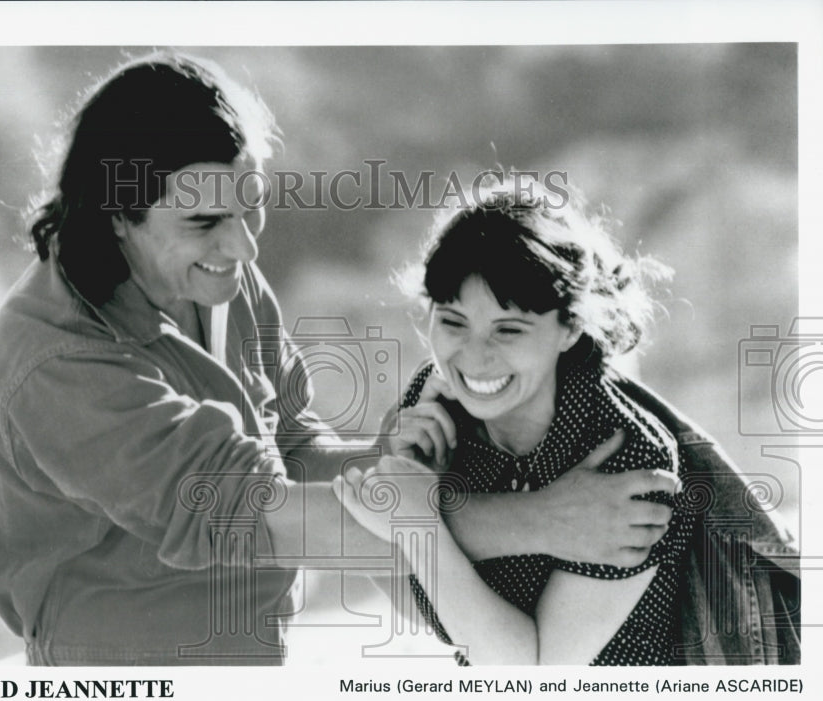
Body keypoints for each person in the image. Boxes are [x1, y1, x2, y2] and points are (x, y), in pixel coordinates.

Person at [0, 52, 681, 665]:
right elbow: (270, 516)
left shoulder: (213, 272)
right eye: (205, 222)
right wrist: (543, 520)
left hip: (257, 661)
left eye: (251, 207)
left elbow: (293, 451)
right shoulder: (56, 362)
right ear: (117, 214)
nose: (243, 249)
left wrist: (386, 468)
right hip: (126, 693)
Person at [337, 180, 800, 665]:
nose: (474, 357)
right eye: (452, 322)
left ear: (570, 327)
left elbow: (536, 676)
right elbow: (420, 608)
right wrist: (400, 469)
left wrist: (423, 526)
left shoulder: (631, 458)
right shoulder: (433, 413)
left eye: (508, 329)